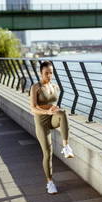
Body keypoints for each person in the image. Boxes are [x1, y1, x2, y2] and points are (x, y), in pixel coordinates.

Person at [30, 60, 74, 194]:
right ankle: (50, 183)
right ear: (40, 73)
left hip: (52, 119)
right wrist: (47, 111)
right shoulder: (35, 87)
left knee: (63, 112)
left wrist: (54, 109)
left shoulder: (55, 87)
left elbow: (53, 105)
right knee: (48, 153)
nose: (49, 76)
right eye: (46, 73)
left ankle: (66, 146)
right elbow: (33, 108)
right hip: (42, 123)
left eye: (51, 73)